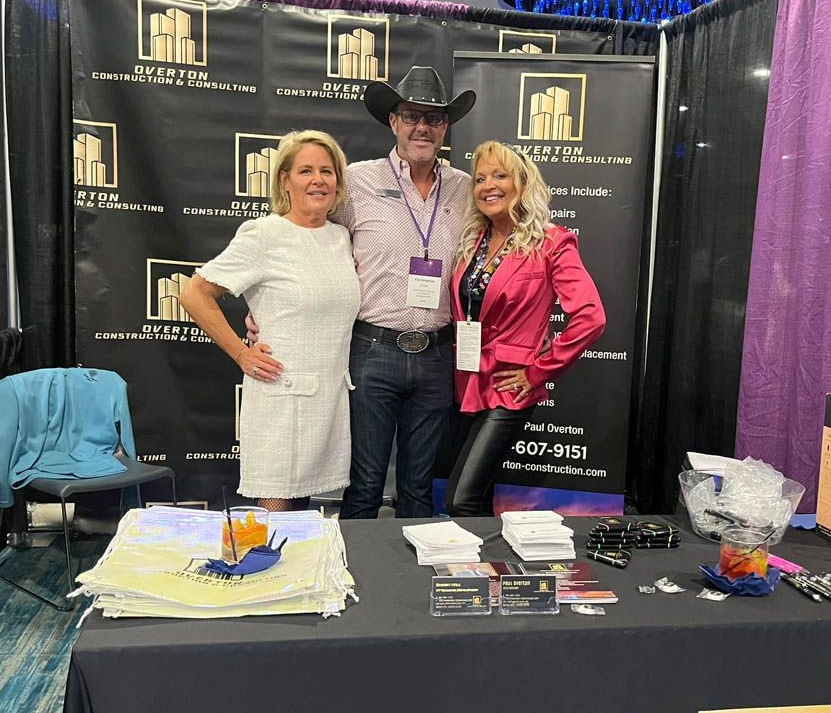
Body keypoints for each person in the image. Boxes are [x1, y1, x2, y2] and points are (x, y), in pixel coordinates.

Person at [247, 66, 475, 518]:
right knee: (366, 482)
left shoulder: (466, 189)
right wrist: (265, 309)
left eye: (433, 118)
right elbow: (309, 241)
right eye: (411, 116)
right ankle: (355, 563)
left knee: (418, 486)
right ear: (393, 122)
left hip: (436, 354)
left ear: (445, 126)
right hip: (373, 351)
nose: (422, 127)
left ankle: (415, 565)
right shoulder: (356, 182)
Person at [180, 130, 359, 511]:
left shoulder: (341, 237)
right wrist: (241, 354)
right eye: (306, 171)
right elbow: (194, 294)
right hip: (281, 393)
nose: (318, 180)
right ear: (284, 180)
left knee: (302, 510)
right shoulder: (265, 234)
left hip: (327, 398)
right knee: (276, 510)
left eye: (327, 171)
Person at [445, 140, 606, 517]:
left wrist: (539, 371)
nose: (488, 186)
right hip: (469, 381)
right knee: (479, 494)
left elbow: (591, 317)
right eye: (480, 179)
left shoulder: (551, 242)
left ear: (522, 183)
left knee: (460, 499)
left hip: (509, 387)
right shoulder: (474, 240)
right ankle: (487, 557)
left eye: (500, 176)